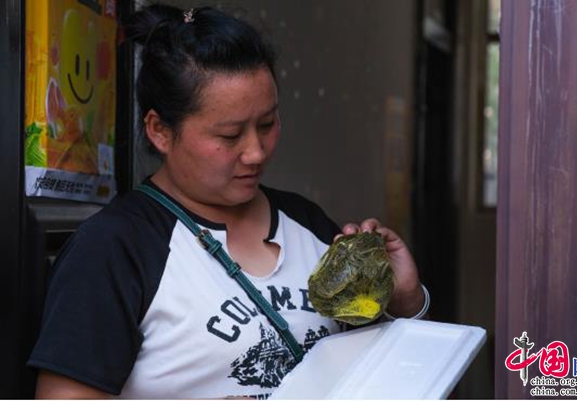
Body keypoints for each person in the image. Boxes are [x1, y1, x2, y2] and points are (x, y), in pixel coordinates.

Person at [28, 4, 427, 399]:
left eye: (267, 124)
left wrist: (404, 301)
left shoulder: (306, 222)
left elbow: (380, 376)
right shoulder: (114, 248)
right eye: (230, 135)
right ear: (160, 130)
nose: (256, 152)